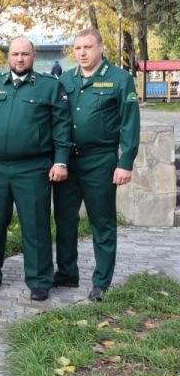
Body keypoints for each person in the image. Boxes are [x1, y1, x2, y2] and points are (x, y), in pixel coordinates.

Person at [0, 36, 72, 301]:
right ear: (7, 57)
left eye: (25, 54)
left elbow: (62, 125)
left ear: (33, 56)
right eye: (15, 54)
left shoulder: (48, 87)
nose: (20, 59)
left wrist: (61, 160)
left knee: (35, 225)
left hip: (33, 168)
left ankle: (39, 280)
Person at [55, 29, 140, 302]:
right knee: (65, 220)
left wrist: (125, 162)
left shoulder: (119, 79)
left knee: (101, 223)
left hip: (100, 161)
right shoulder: (66, 79)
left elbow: (129, 123)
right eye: (78, 48)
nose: (82, 53)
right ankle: (67, 273)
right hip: (69, 161)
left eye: (88, 47)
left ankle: (102, 281)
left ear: (100, 48)